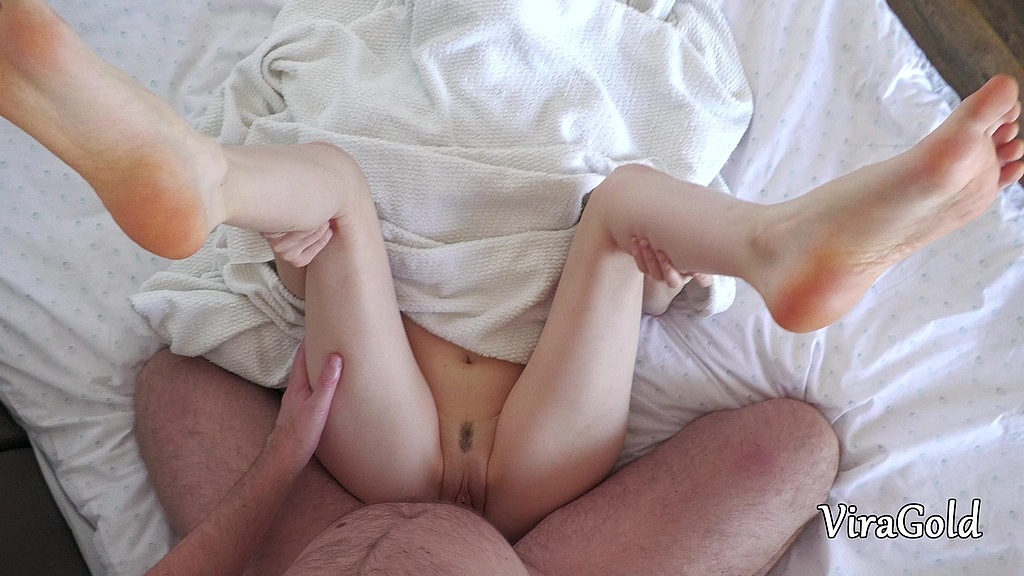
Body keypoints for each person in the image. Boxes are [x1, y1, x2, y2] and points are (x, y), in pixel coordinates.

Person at [2, 0, 1022, 571]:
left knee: (343, 199)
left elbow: (175, 395)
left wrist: (281, 462)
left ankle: (212, 182)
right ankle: (769, 246)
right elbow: (790, 449)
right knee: (617, 209)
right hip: (539, 499)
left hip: (377, 470)